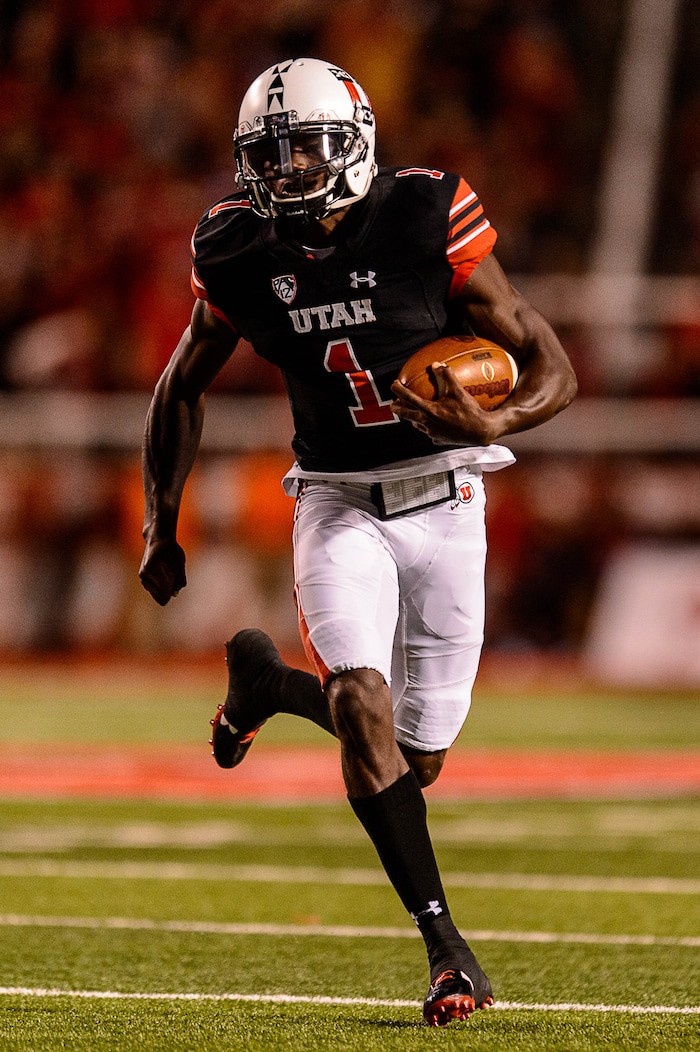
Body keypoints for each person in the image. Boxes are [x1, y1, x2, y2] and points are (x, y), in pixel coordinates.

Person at [139, 57, 577, 1027]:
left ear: (357, 140)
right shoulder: (237, 247)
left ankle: (265, 683)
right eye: (272, 155)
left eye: (307, 150)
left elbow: (549, 363)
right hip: (336, 502)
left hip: (446, 501)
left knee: (413, 761)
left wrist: (494, 424)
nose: (289, 172)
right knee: (360, 703)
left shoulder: (426, 212)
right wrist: (157, 519)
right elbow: (181, 384)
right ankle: (447, 949)